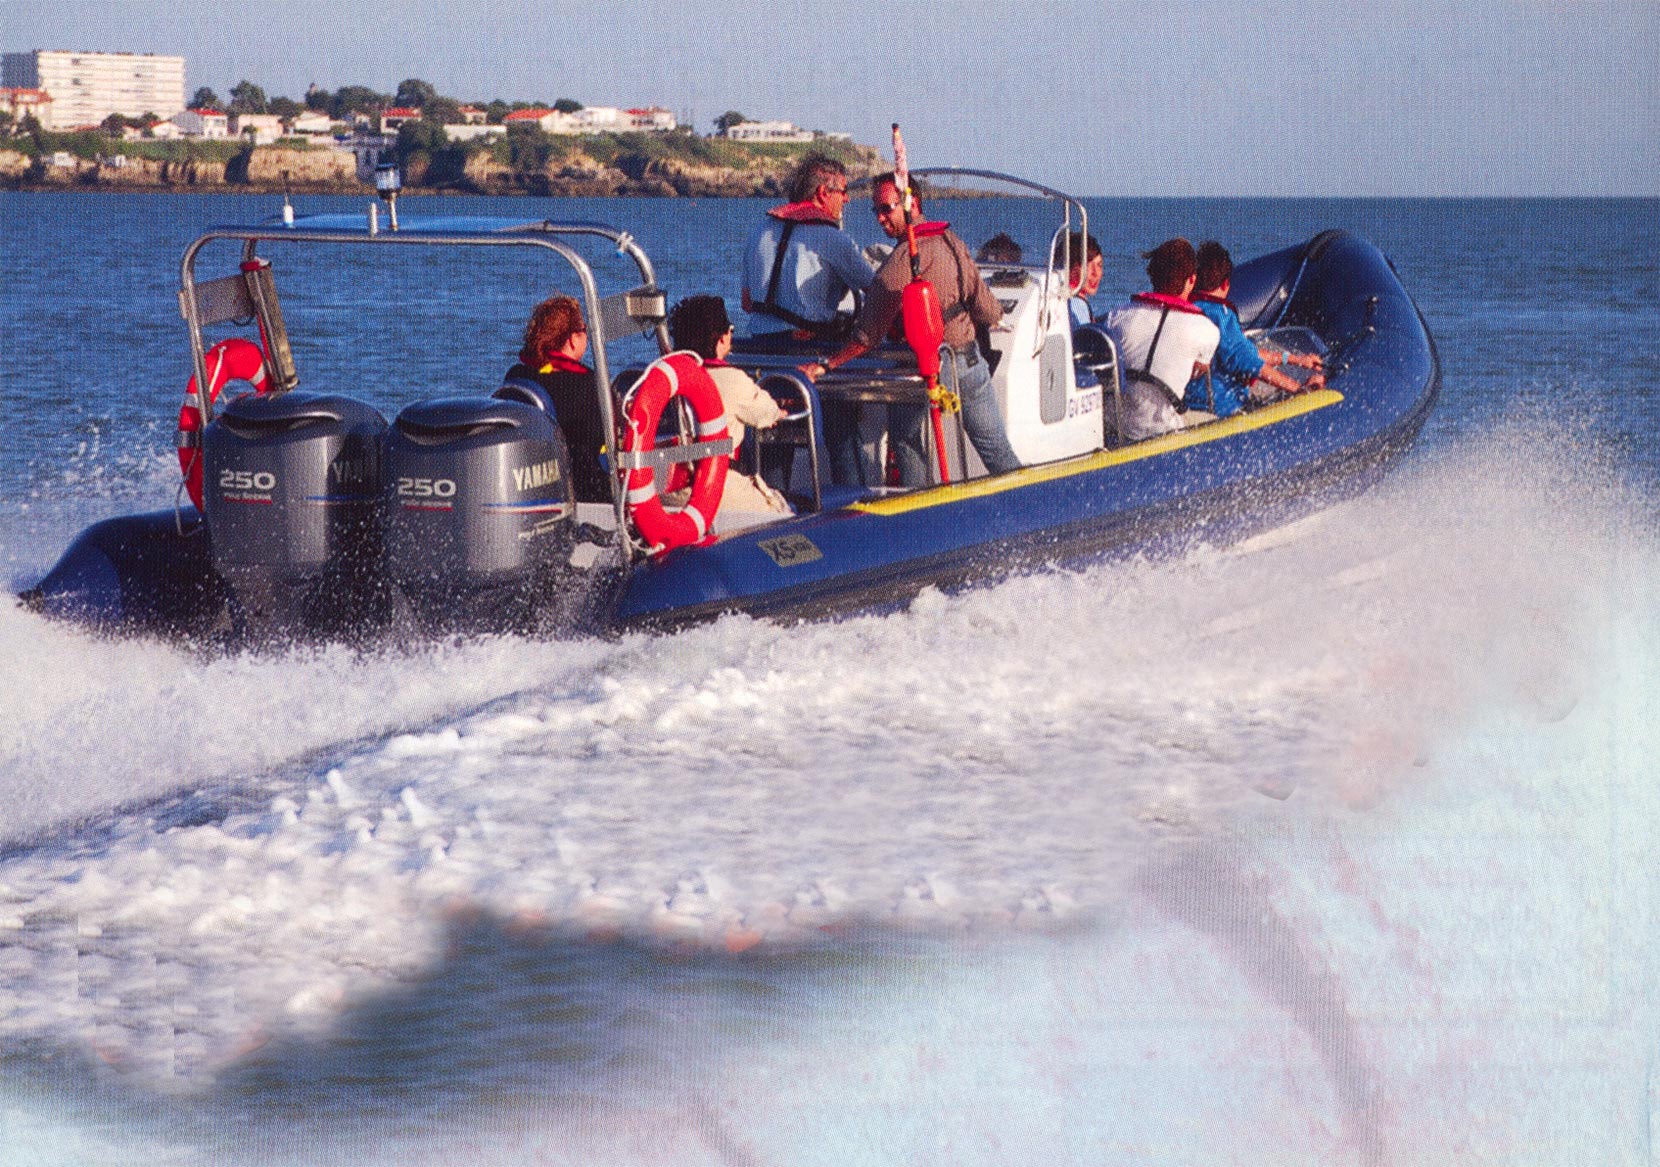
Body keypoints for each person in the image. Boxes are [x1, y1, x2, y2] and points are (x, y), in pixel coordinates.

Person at [802, 173, 1020, 487]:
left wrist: (827, 364)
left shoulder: (898, 265)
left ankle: (921, 509)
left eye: (886, 209)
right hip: (970, 363)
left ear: (910, 203)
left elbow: (867, 336)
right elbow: (987, 307)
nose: (880, 218)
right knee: (997, 451)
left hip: (930, 371)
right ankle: (1024, 501)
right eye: (875, 210)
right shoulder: (953, 242)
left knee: (906, 442)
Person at [667, 295, 793, 530]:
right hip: (719, 489)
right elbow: (765, 413)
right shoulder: (732, 380)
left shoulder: (665, 379)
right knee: (783, 513)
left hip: (672, 492)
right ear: (721, 338)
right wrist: (779, 412)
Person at [741, 153, 875, 345]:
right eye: (843, 191)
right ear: (823, 193)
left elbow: (747, 304)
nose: (847, 199)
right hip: (807, 348)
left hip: (759, 344)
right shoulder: (832, 239)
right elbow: (877, 292)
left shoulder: (759, 231)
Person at [1184, 241, 1325, 418]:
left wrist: (1295, 359)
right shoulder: (1221, 316)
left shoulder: (1188, 310)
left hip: (1190, 406)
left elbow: (1243, 350)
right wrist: (1299, 389)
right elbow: (1247, 361)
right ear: (1226, 284)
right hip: (1223, 411)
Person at [1101, 238, 1221, 442]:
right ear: (1191, 280)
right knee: (1213, 421)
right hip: (1163, 430)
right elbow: (1197, 371)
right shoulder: (1207, 330)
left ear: (1153, 276)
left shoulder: (1116, 316)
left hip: (1117, 426)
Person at [501, 294, 612, 504]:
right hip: (581, 488)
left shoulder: (516, 375)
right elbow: (602, 439)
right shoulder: (587, 382)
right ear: (571, 339)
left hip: (531, 481)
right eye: (584, 330)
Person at [1060, 231, 1103, 327]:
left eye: (1099, 265)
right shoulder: (1077, 304)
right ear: (1071, 268)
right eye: (1087, 266)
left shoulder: (1062, 296)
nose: (1095, 273)